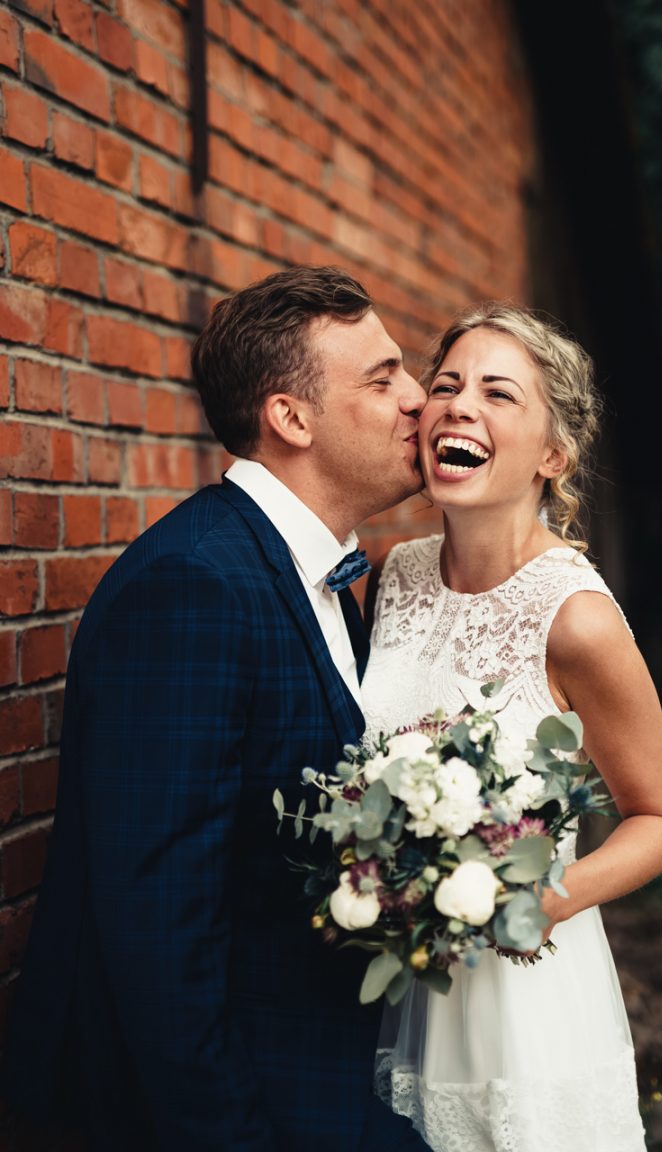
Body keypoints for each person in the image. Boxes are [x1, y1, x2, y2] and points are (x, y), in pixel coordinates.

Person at [5, 266, 430, 1151]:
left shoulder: (325, 576)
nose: (418, 400)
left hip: (323, 1073)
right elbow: (160, 930)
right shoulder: (193, 586)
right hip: (233, 1105)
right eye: (382, 377)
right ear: (291, 418)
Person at [361, 302, 662, 1152]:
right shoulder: (393, 576)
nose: (460, 406)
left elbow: (660, 820)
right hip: (398, 985)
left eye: (498, 393)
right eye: (447, 385)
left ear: (554, 453)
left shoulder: (576, 619)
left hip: (523, 997)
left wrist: (543, 901)